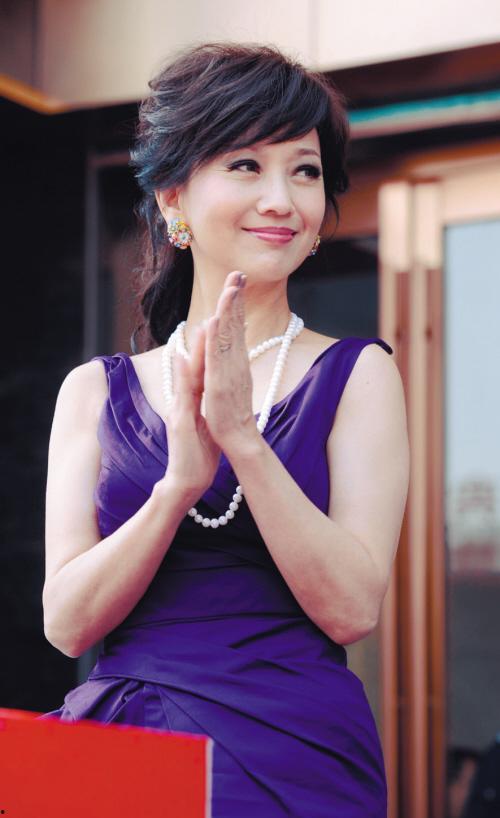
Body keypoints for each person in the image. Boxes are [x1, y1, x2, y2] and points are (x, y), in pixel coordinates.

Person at [39, 42, 410, 817]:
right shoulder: (93, 392)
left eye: (304, 171)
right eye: (246, 165)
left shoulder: (358, 375)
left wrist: (244, 440)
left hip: (297, 756)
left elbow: (352, 610)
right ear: (174, 195)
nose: (282, 199)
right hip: (124, 751)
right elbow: (67, 624)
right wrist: (177, 487)